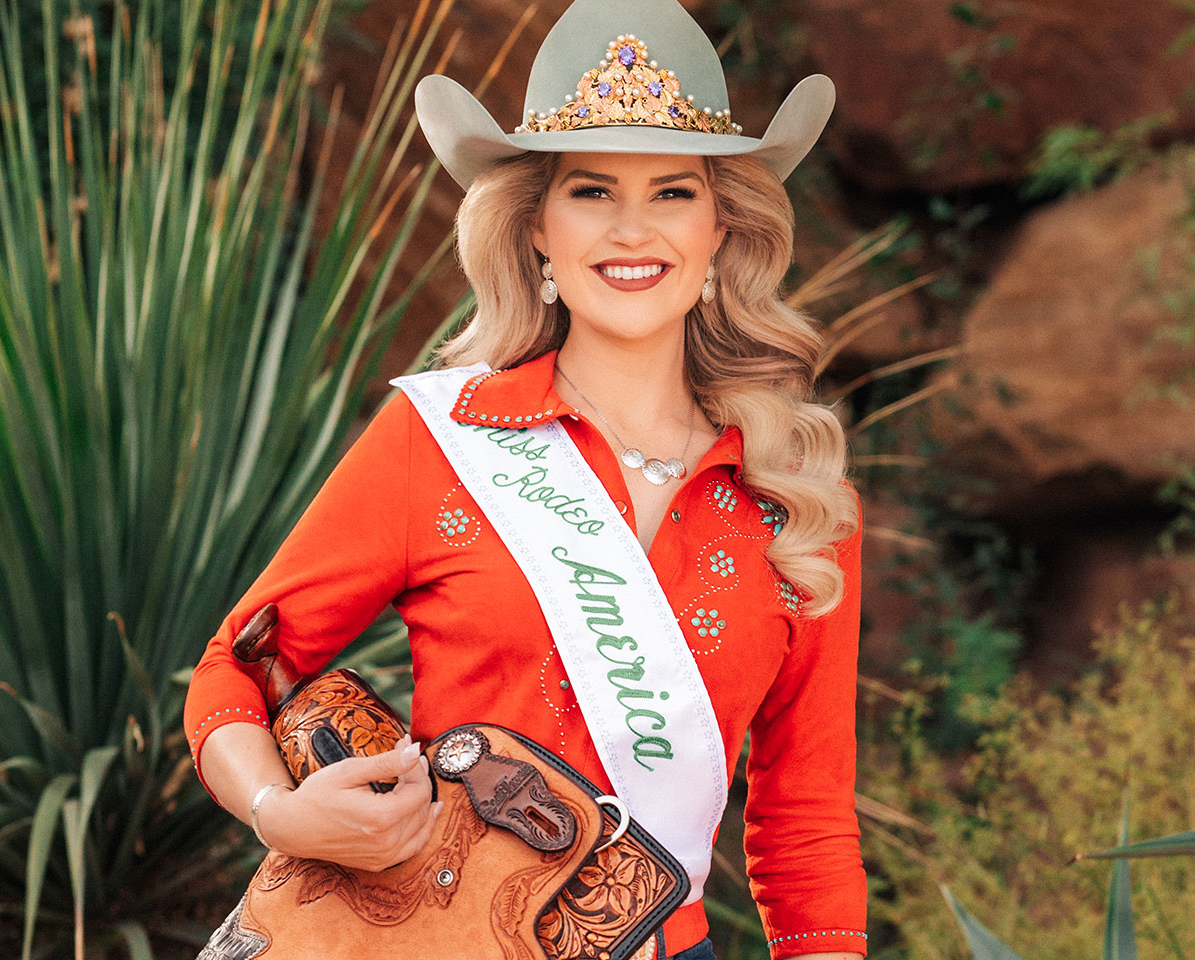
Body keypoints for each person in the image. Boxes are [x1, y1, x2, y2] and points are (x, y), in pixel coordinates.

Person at [179, 0, 866, 957]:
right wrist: (275, 811)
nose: (633, 230)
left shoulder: (798, 500)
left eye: (673, 192)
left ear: (722, 231)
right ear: (538, 227)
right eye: (591, 191)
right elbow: (234, 669)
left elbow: (806, 824)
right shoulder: (442, 439)